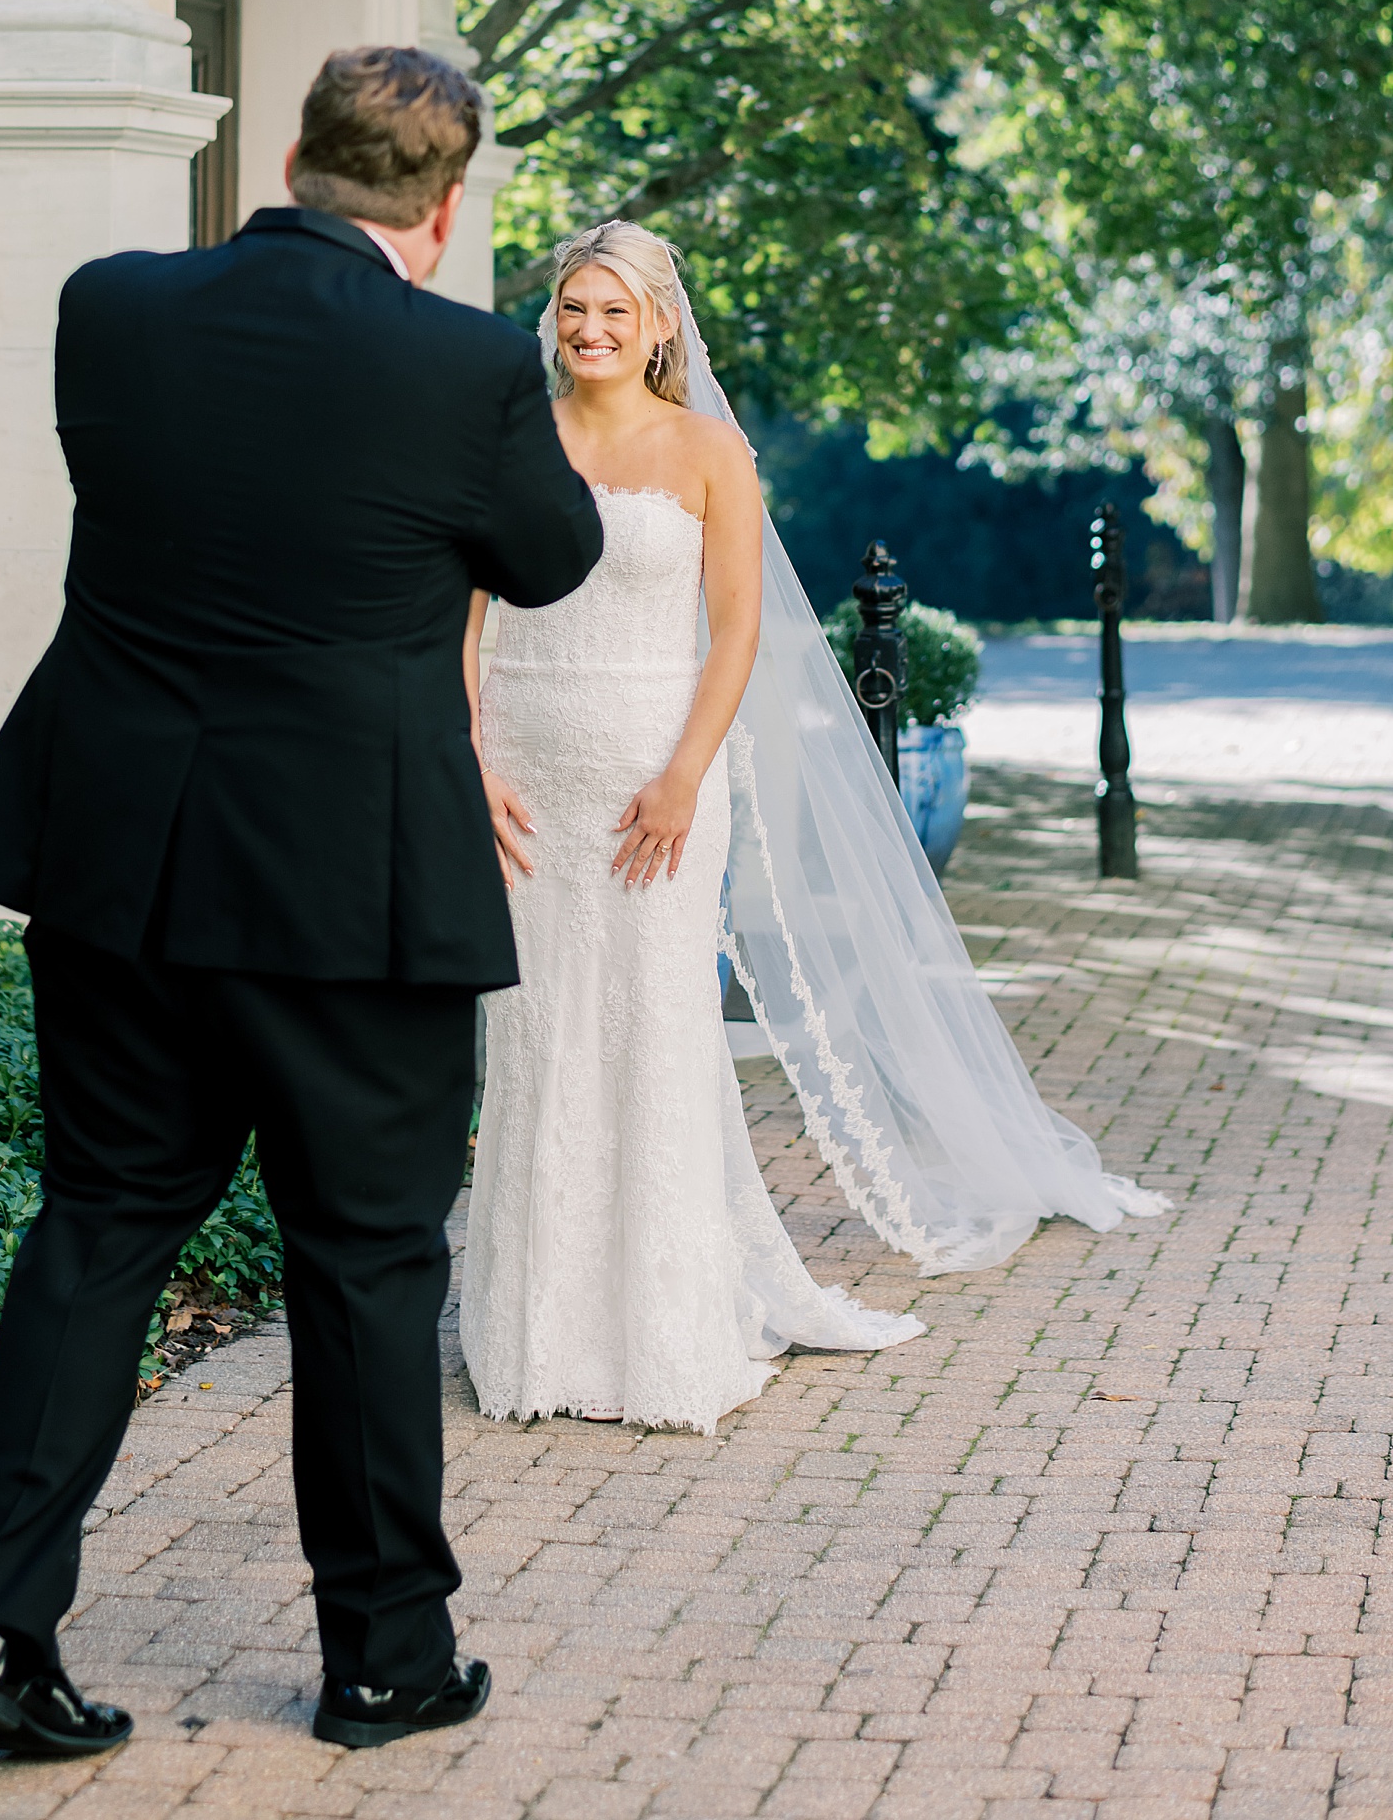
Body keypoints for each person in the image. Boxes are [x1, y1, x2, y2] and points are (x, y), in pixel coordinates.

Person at [0, 49, 604, 1756]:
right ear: (442, 214)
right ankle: (383, 1661)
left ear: (288, 156)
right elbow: (551, 557)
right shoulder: (463, 363)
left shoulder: (114, 308)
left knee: (96, 1231)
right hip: (348, 884)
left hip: (122, 859)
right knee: (368, 1261)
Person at [461, 221, 1169, 1436]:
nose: (587, 331)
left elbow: (735, 631)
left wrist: (688, 773)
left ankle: (656, 1329)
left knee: (648, 1031)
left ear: (660, 325)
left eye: (613, 312)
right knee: (532, 1037)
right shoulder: (509, 442)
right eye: (573, 309)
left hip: (650, 777)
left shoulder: (706, 450)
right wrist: (469, 755)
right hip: (522, 782)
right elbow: (460, 615)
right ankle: (532, 1328)